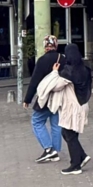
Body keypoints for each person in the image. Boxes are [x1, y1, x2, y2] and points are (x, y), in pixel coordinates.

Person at [23, 35, 63, 163]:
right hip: (59, 97)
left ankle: (48, 149)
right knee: (56, 123)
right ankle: (56, 152)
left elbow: (34, 81)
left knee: (37, 121)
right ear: (56, 45)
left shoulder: (42, 60)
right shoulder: (63, 58)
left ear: (45, 46)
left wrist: (27, 99)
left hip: (46, 97)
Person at [57, 44, 93, 175]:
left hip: (73, 106)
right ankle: (81, 156)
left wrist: (55, 72)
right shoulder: (86, 69)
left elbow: (57, 86)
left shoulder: (67, 71)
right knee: (71, 133)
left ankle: (75, 165)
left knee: (68, 134)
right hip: (84, 104)